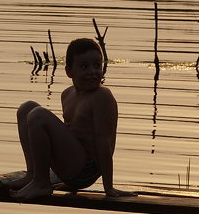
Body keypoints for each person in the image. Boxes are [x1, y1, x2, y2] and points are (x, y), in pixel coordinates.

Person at [8, 37, 132, 201]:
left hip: (87, 169)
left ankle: (41, 183)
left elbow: (105, 143)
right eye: (83, 67)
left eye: (97, 65)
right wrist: (70, 183)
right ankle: (34, 174)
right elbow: (71, 133)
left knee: (38, 115)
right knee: (26, 108)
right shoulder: (67, 94)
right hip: (71, 167)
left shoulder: (102, 97)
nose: (92, 72)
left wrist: (108, 187)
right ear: (69, 71)